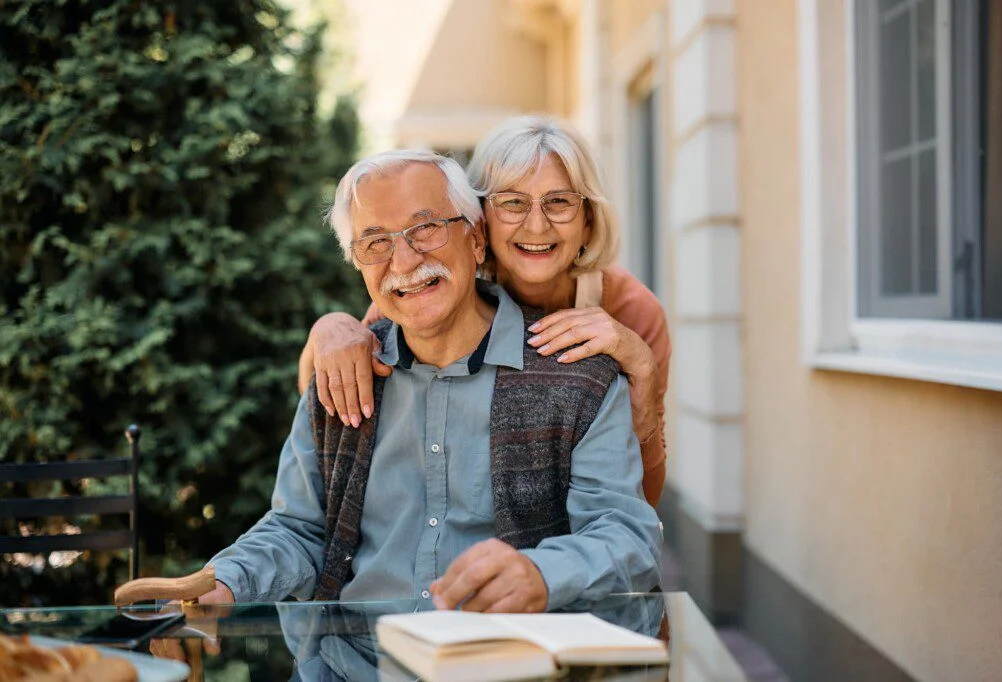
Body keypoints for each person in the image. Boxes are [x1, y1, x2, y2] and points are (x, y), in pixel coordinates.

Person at [193, 150, 661, 613]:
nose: (403, 261)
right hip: (351, 665)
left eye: (426, 228)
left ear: (477, 239)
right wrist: (223, 584)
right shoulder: (342, 372)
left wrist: (544, 573)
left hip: (501, 663)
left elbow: (626, 537)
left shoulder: (578, 376)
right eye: (375, 242)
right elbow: (297, 530)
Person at [299, 115, 671, 506]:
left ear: (588, 220)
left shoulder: (632, 312)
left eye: (558, 202)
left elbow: (640, 506)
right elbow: (323, 405)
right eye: (512, 202)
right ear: (480, 221)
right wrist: (329, 327)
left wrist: (643, 371)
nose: (537, 226)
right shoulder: (434, 290)